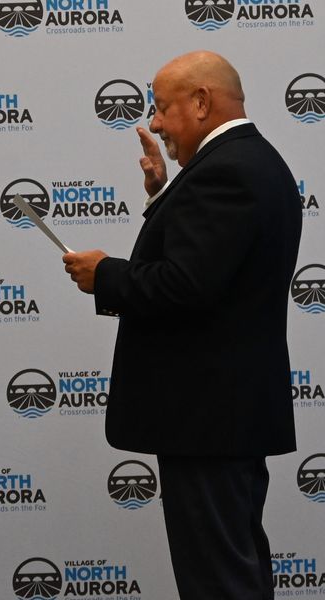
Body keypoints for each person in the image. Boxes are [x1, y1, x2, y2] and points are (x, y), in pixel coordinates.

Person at [63, 51, 302, 600]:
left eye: (162, 108)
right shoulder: (244, 163)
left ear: (201, 102)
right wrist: (163, 194)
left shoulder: (229, 171)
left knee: (219, 578)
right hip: (222, 417)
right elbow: (209, 264)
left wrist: (106, 275)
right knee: (231, 566)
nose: (153, 123)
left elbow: (185, 287)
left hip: (208, 419)